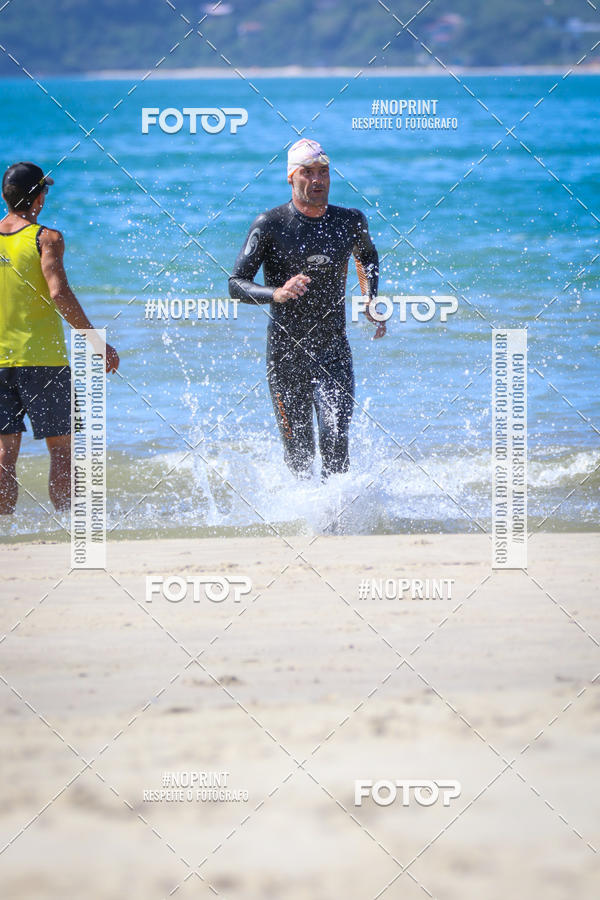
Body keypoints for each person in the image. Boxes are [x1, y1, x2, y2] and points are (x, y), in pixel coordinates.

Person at [229, 138, 383, 480]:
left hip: (333, 350)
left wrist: (369, 297)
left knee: (336, 440)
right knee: (300, 454)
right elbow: (236, 284)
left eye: (324, 172)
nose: (318, 180)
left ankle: (337, 521)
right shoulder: (270, 224)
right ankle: (304, 523)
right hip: (286, 356)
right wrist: (277, 293)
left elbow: (366, 255)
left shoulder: (350, 221)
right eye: (308, 173)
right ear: (291, 178)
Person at [0, 161, 119, 514]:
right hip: (44, 361)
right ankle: (69, 524)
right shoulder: (45, 238)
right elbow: (59, 294)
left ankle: (5, 533)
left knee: (4, 456)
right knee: (63, 451)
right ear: (37, 197)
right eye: (44, 191)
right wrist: (97, 343)